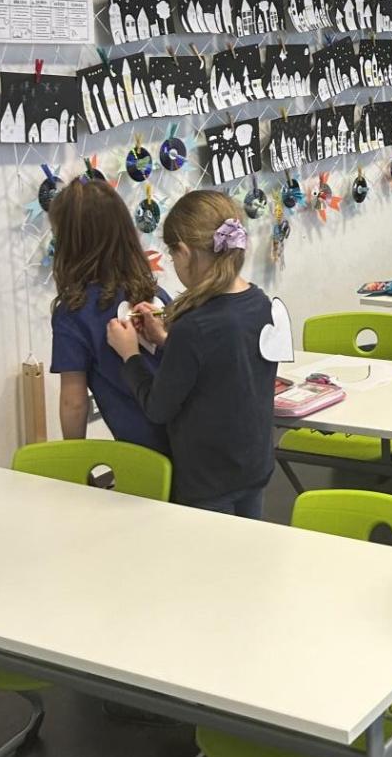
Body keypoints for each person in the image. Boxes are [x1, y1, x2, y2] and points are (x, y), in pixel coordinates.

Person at [106, 192, 276, 515]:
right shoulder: (260, 303)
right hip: (254, 468)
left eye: (172, 255)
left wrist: (130, 355)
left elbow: (158, 407)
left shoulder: (194, 326)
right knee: (248, 546)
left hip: (208, 482)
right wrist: (166, 340)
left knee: (210, 550)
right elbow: (221, 365)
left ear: (184, 252)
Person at [49, 180, 170, 453]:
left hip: (144, 453)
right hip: (193, 439)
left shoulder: (73, 312)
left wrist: (74, 458)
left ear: (70, 243)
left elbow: (73, 402)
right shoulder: (156, 294)